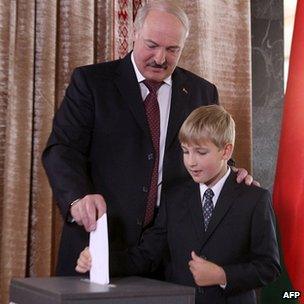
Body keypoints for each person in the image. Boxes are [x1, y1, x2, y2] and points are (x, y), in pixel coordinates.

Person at [42, 0, 255, 276]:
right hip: (96, 246)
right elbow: (62, 149)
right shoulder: (92, 83)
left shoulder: (203, 93)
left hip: (172, 255)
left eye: (172, 49)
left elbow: (211, 156)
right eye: (152, 45)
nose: (159, 58)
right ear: (134, 33)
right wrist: (77, 198)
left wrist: (233, 175)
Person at [76, 105, 281, 304]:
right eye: (185, 151)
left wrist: (222, 275)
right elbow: (147, 255)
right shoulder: (173, 198)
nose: (191, 162)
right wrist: (101, 260)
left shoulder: (255, 199)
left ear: (226, 151)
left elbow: (269, 266)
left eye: (201, 153)